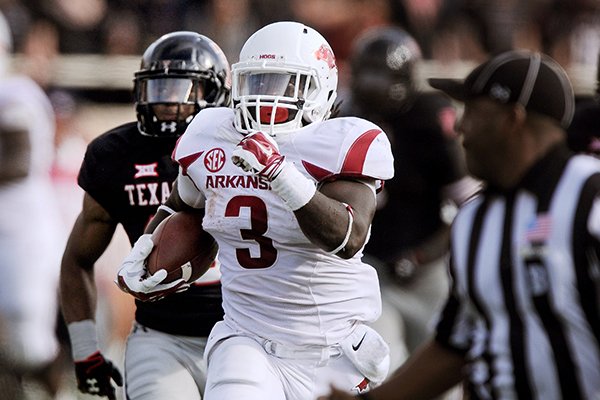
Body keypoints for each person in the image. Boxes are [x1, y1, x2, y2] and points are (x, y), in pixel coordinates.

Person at [116, 21, 395, 399]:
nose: (265, 98)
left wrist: (280, 174)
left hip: (333, 349)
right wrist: (144, 250)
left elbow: (346, 236)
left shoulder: (341, 143)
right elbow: (181, 203)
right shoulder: (213, 134)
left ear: (320, 89)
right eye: (257, 82)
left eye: (283, 85)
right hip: (247, 339)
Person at [319, 49, 600, 400]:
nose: (461, 126)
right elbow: (454, 345)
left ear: (513, 119)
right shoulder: (473, 220)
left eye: (475, 112)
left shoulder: (590, 198)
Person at [59, 31, 231, 400]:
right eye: (159, 89)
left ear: (216, 93)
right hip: (160, 338)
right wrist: (86, 349)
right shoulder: (116, 154)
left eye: (183, 89)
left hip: (242, 336)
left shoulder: (243, 149)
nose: (168, 103)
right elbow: (78, 259)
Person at [343, 26, 480, 371]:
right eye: (368, 72)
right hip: (369, 267)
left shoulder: (429, 119)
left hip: (426, 270)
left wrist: (422, 255)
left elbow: (470, 204)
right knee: (382, 364)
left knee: (436, 361)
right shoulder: (343, 117)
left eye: (383, 74)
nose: (374, 84)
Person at [0, 9, 65, 398]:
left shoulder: (15, 93)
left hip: (20, 237)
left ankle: (57, 391)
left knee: (30, 343)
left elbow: (16, 163)